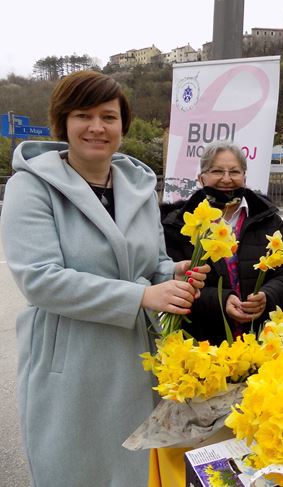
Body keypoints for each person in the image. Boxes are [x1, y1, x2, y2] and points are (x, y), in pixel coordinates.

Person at [0, 71, 209, 487]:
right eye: (84, 115)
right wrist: (143, 295)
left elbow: (153, 263)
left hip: (137, 358)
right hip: (71, 361)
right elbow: (40, 280)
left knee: (136, 473)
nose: (97, 127)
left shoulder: (140, 189)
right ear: (63, 123)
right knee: (76, 471)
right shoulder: (32, 187)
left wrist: (173, 273)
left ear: (122, 126)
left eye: (109, 117)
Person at [162, 141, 283, 343]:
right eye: (217, 171)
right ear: (201, 178)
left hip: (260, 339)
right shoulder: (179, 224)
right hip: (201, 342)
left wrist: (267, 297)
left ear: (244, 177)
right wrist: (221, 301)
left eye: (234, 172)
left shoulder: (268, 219)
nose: (226, 180)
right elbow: (171, 283)